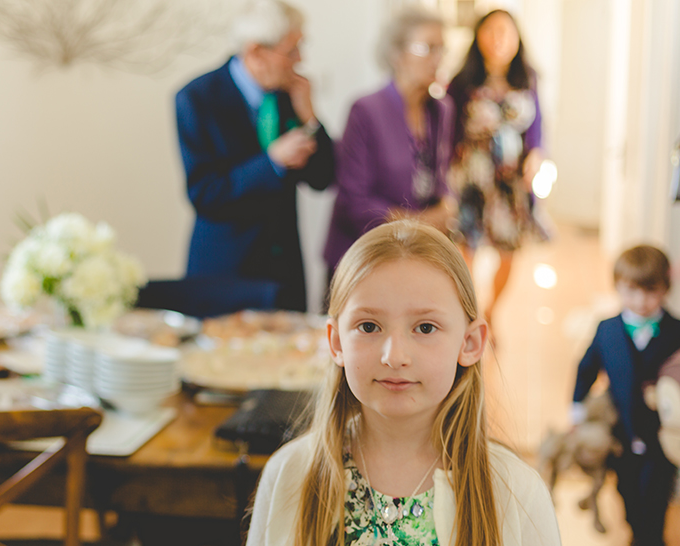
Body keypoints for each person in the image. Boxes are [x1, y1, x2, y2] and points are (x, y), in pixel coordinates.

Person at [232, 220, 578, 546]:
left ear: (470, 343)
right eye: (369, 327)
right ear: (335, 341)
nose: (395, 355)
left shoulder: (513, 491)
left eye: (425, 328)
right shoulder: (293, 475)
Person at [175, 0, 335, 312]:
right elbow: (204, 193)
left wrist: (311, 119)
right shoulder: (197, 99)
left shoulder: (291, 95)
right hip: (225, 271)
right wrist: (272, 162)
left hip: (284, 273)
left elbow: (323, 178)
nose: (300, 60)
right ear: (256, 53)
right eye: (291, 51)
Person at [571, 244, 680, 546]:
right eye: (631, 291)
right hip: (620, 429)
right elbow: (585, 368)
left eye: (650, 291)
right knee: (626, 489)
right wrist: (577, 410)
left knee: (656, 491)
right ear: (618, 287)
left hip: (661, 434)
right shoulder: (607, 329)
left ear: (665, 288)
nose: (641, 301)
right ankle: (637, 535)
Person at [323, 7, 456, 278]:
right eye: (428, 48)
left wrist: (447, 207)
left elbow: (439, 180)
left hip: (413, 255)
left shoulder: (442, 109)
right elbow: (355, 201)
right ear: (397, 55)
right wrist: (418, 223)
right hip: (362, 256)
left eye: (442, 49)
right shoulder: (366, 109)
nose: (438, 59)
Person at [447, 9, 548, 325]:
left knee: (508, 252)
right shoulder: (461, 82)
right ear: (478, 36)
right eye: (491, 31)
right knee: (467, 251)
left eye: (506, 32)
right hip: (472, 179)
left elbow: (538, 127)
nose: (499, 39)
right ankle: (471, 314)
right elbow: (449, 131)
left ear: (517, 38)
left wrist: (538, 154)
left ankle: (491, 313)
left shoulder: (527, 78)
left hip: (510, 181)